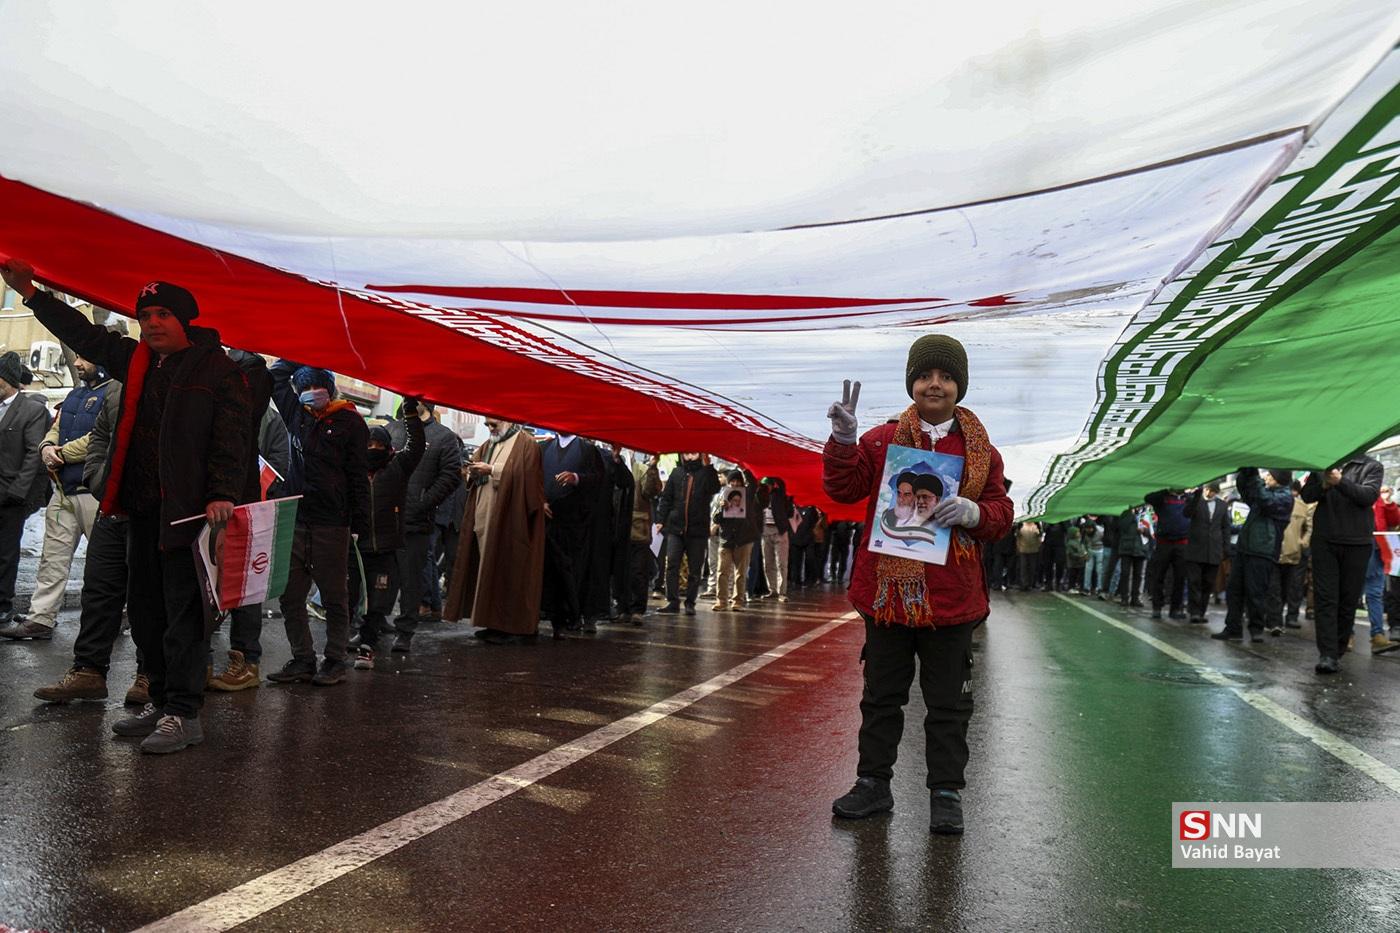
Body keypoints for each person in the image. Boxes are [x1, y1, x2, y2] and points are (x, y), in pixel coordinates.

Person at [3, 259, 255, 754]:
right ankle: (161, 702)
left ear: (185, 319)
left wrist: (222, 492)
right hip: (140, 512)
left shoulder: (218, 370)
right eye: (145, 315)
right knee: (145, 612)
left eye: (163, 313)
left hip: (190, 516)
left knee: (185, 616)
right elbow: (85, 334)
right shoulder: (138, 360)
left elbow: (234, 438)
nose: (153, 323)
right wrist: (30, 292)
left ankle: (184, 714)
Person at [824, 334, 1013, 835]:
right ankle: (873, 784)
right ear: (912, 383)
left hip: (951, 599)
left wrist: (975, 511)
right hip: (887, 598)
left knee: (948, 703)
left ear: (959, 387)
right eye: (926, 375)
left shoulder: (981, 452)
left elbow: (1001, 516)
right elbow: (843, 489)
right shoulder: (883, 439)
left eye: (946, 376)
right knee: (881, 696)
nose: (936, 384)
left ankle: (946, 792)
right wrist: (844, 443)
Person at [32, 380, 150, 704]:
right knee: (98, 590)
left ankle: (150, 675)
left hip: (154, 509)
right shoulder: (115, 387)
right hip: (111, 506)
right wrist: (98, 477)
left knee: (146, 597)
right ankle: (88, 671)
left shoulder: (182, 376)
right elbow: (100, 435)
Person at [267, 362, 369, 683]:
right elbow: (275, 377)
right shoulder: (296, 414)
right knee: (290, 595)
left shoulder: (351, 422)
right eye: (303, 390)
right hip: (297, 519)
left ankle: (335, 659)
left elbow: (357, 478)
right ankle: (303, 659)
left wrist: (359, 524)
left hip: (332, 523)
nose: (310, 395)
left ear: (330, 389)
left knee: (334, 596)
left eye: (316, 389)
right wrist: (303, 351)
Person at [0, 356, 111, 640]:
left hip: (94, 492)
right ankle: (41, 618)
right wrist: (47, 446)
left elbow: (102, 437)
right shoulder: (75, 394)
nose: (76, 363)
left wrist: (60, 453)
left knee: (105, 564)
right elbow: (55, 428)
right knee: (52, 559)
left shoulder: (113, 393)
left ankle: (117, 614)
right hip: (63, 490)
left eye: (84, 357)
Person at [444, 418, 546, 643]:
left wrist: (492, 470)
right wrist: (471, 471)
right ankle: (492, 623)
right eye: (487, 426)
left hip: (509, 521)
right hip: (483, 516)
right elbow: (474, 473)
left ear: (507, 421)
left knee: (507, 570)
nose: (490, 430)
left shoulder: (527, 444)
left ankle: (509, 626)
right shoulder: (487, 445)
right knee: (486, 569)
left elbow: (529, 479)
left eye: (494, 425)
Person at [352, 401, 425, 669]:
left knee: (377, 602)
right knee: (348, 598)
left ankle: (367, 647)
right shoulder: (355, 470)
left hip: (384, 549)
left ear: (387, 448)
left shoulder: (397, 468)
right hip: (356, 547)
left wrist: (410, 414)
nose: (373, 450)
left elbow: (416, 446)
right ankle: (338, 648)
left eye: (378, 446)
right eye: (369, 445)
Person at [1303, 453, 1384, 673]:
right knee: (1326, 598)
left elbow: (1368, 496)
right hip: (1325, 542)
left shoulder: (1372, 466)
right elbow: (1307, 495)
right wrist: (1324, 485)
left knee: (1348, 601)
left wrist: (1340, 482)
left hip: (1357, 543)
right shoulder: (1322, 464)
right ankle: (1327, 655)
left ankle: (1337, 650)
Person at [386, 401, 461, 635]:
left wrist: (424, 502)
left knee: (411, 580)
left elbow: (451, 475)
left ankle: (405, 630)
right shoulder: (393, 430)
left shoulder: (444, 437)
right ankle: (374, 623)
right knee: (382, 578)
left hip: (417, 521)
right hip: (386, 518)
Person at [1212, 469, 1293, 644]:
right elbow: (1247, 493)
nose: (1267, 477)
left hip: (1263, 551)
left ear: (1279, 479)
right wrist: (1245, 474)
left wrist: (1255, 477)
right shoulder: (1266, 492)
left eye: (1270, 475)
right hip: (1245, 548)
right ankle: (1233, 628)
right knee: (1234, 591)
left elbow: (1264, 501)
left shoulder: (1284, 497)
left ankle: (1256, 629)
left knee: (1256, 593)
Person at [539, 432, 604, 636]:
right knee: (549, 569)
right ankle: (552, 613)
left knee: (571, 570)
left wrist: (576, 478)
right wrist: (539, 501)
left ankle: (570, 615)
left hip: (575, 524)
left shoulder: (588, 450)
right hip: (548, 520)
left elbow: (598, 480)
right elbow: (533, 478)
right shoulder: (544, 448)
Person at [654, 453, 721, 615]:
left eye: (694, 453)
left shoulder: (706, 473)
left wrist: (709, 467)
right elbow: (666, 498)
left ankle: (690, 602)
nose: (690, 456)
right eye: (687, 453)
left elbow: (715, 488)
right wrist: (660, 520)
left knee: (695, 568)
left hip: (697, 530)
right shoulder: (677, 472)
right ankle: (672, 601)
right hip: (676, 528)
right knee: (672, 565)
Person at [620, 452, 662, 624]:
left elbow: (651, 491)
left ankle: (637, 609)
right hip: (618, 528)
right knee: (621, 572)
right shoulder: (615, 462)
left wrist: (652, 468)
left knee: (638, 571)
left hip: (639, 529)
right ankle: (623, 607)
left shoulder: (642, 469)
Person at [712, 469, 761, 611]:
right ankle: (721, 601)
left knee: (741, 572)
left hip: (744, 539)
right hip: (726, 539)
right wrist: (722, 509)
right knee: (722, 571)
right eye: (732, 481)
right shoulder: (723, 496)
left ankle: (738, 601)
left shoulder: (748, 495)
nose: (734, 484)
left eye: (737, 481)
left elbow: (753, 482)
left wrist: (744, 467)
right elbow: (716, 519)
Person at [1182, 483, 1230, 625]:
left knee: (1208, 583)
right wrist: (1195, 496)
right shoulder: (1196, 501)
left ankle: (1201, 611)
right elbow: (1186, 513)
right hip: (1195, 549)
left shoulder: (1222, 505)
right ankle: (1194, 612)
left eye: (1213, 491)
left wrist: (1226, 548)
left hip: (1213, 551)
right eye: (1208, 490)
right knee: (1194, 581)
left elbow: (1225, 527)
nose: (1209, 493)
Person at [1363, 486, 1400, 654]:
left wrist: (1388, 502)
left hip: (1378, 547)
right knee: (1352, 590)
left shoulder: (1379, 499)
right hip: (1357, 544)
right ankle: (1347, 634)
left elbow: (1394, 520)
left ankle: (1377, 635)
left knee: (1375, 592)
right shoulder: (1353, 491)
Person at [1277, 480, 1312, 630]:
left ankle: (1292, 616)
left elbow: (1309, 528)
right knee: (1277, 587)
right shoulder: (1276, 503)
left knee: (1295, 586)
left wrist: (1302, 542)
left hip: (1296, 553)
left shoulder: (1303, 507)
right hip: (1277, 551)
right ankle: (1275, 617)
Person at [758, 475, 793, 602]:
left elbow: (782, 484)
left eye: (768, 485)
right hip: (765, 531)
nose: (766, 487)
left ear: (773, 485)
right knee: (767, 562)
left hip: (780, 531)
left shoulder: (780, 495)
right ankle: (772, 590)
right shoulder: (760, 496)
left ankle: (782, 592)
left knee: (781, 563)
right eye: (764, 485)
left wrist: (774, 473)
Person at [1114, 507, 1148, 606]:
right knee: (1125, 573)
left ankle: (1135, 598)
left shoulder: (1145, 514)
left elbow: (1151, 531)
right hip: (1126, 548)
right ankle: (1124, 597)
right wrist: (1131, 515)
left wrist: (1144, 531)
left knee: (1138, 575)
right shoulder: (1125, 514)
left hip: (1140, 548)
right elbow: (1122, 527)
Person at [1015, 521, 1041, 591]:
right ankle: (1024, 584)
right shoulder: (1021, 524)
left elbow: (1039, 536)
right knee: (1023, 568)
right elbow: (1018, 536)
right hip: (1023, 549)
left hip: (1033, 549)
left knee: (1032, 568)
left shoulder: (1036, 524)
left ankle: (1030, 584)